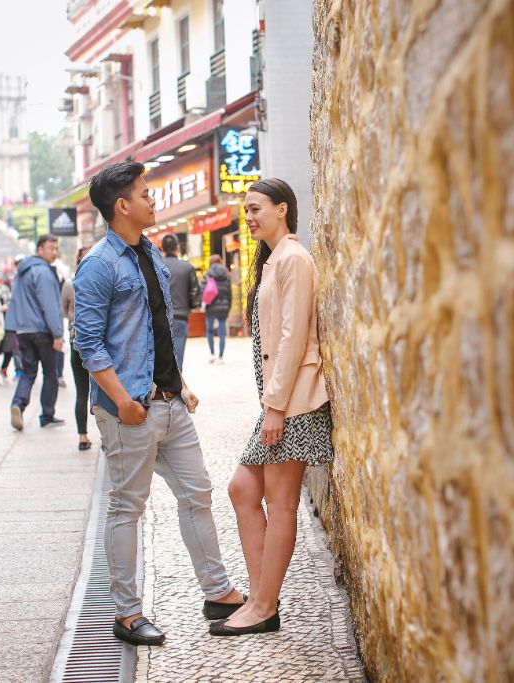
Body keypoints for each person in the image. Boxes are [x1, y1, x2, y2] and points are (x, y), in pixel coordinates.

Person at [74, 161, 244, 647]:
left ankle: (218, 593)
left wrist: (180, 382)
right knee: (128, 506)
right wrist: (123, 401)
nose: (153, 200)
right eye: (145, 194)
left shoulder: (148, 252)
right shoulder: (99, 265)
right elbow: (89, 344)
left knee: (197, 493)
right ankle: (127, 614)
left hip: (170, 403)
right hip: (131, 408)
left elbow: (155, 333)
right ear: (122, 205)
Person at [213, 179, 334, 637]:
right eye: (245, 210)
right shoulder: (273, 260)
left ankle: (263, 606)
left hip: (295, 403)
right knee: (243, 490)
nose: (248, 217)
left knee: (281, 503)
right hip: (280, 402)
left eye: (256, 208)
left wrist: (276, 408)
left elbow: (293, 337)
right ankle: (260, 597)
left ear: (283, 209)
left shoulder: (294, 259)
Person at [5, 234, 65, 429]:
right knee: (50, 373)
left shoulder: (23, 271)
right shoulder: (44, 272)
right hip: (42, 330)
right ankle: (47, 415)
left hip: (22, 330)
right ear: (40, 250)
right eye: (50, 248)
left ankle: (18, 404)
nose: (54, 252)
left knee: (28, 372)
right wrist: (57, 334)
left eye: (56, 249)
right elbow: (50, 306)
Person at [63, 246, 93, 451]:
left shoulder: (69, 284)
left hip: (77, 343)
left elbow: (64, 311)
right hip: (100, 346)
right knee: (104, 393)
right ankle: (109, 438)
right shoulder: (102, 281)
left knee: (82, 392)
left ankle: (83, 436)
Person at [159, 233, 200, 369]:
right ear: (177, 247)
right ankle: (176, 382)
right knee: (178, 358)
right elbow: (195, 293)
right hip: (180, 317)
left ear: (162, 248)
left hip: (159, 318)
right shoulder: (187, 267)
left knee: (160, 359)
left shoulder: (156, 266)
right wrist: (193, 306)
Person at [200, 255, 231, 365]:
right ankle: (220, 357)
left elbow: (202, 291)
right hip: (223, 307)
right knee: (222, 332)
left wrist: (202, 304)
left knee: (210, 331)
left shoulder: (207, 274)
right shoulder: (226, 275)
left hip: (210, 307)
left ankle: (212, 354)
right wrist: (228, 306)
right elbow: (229, 294)